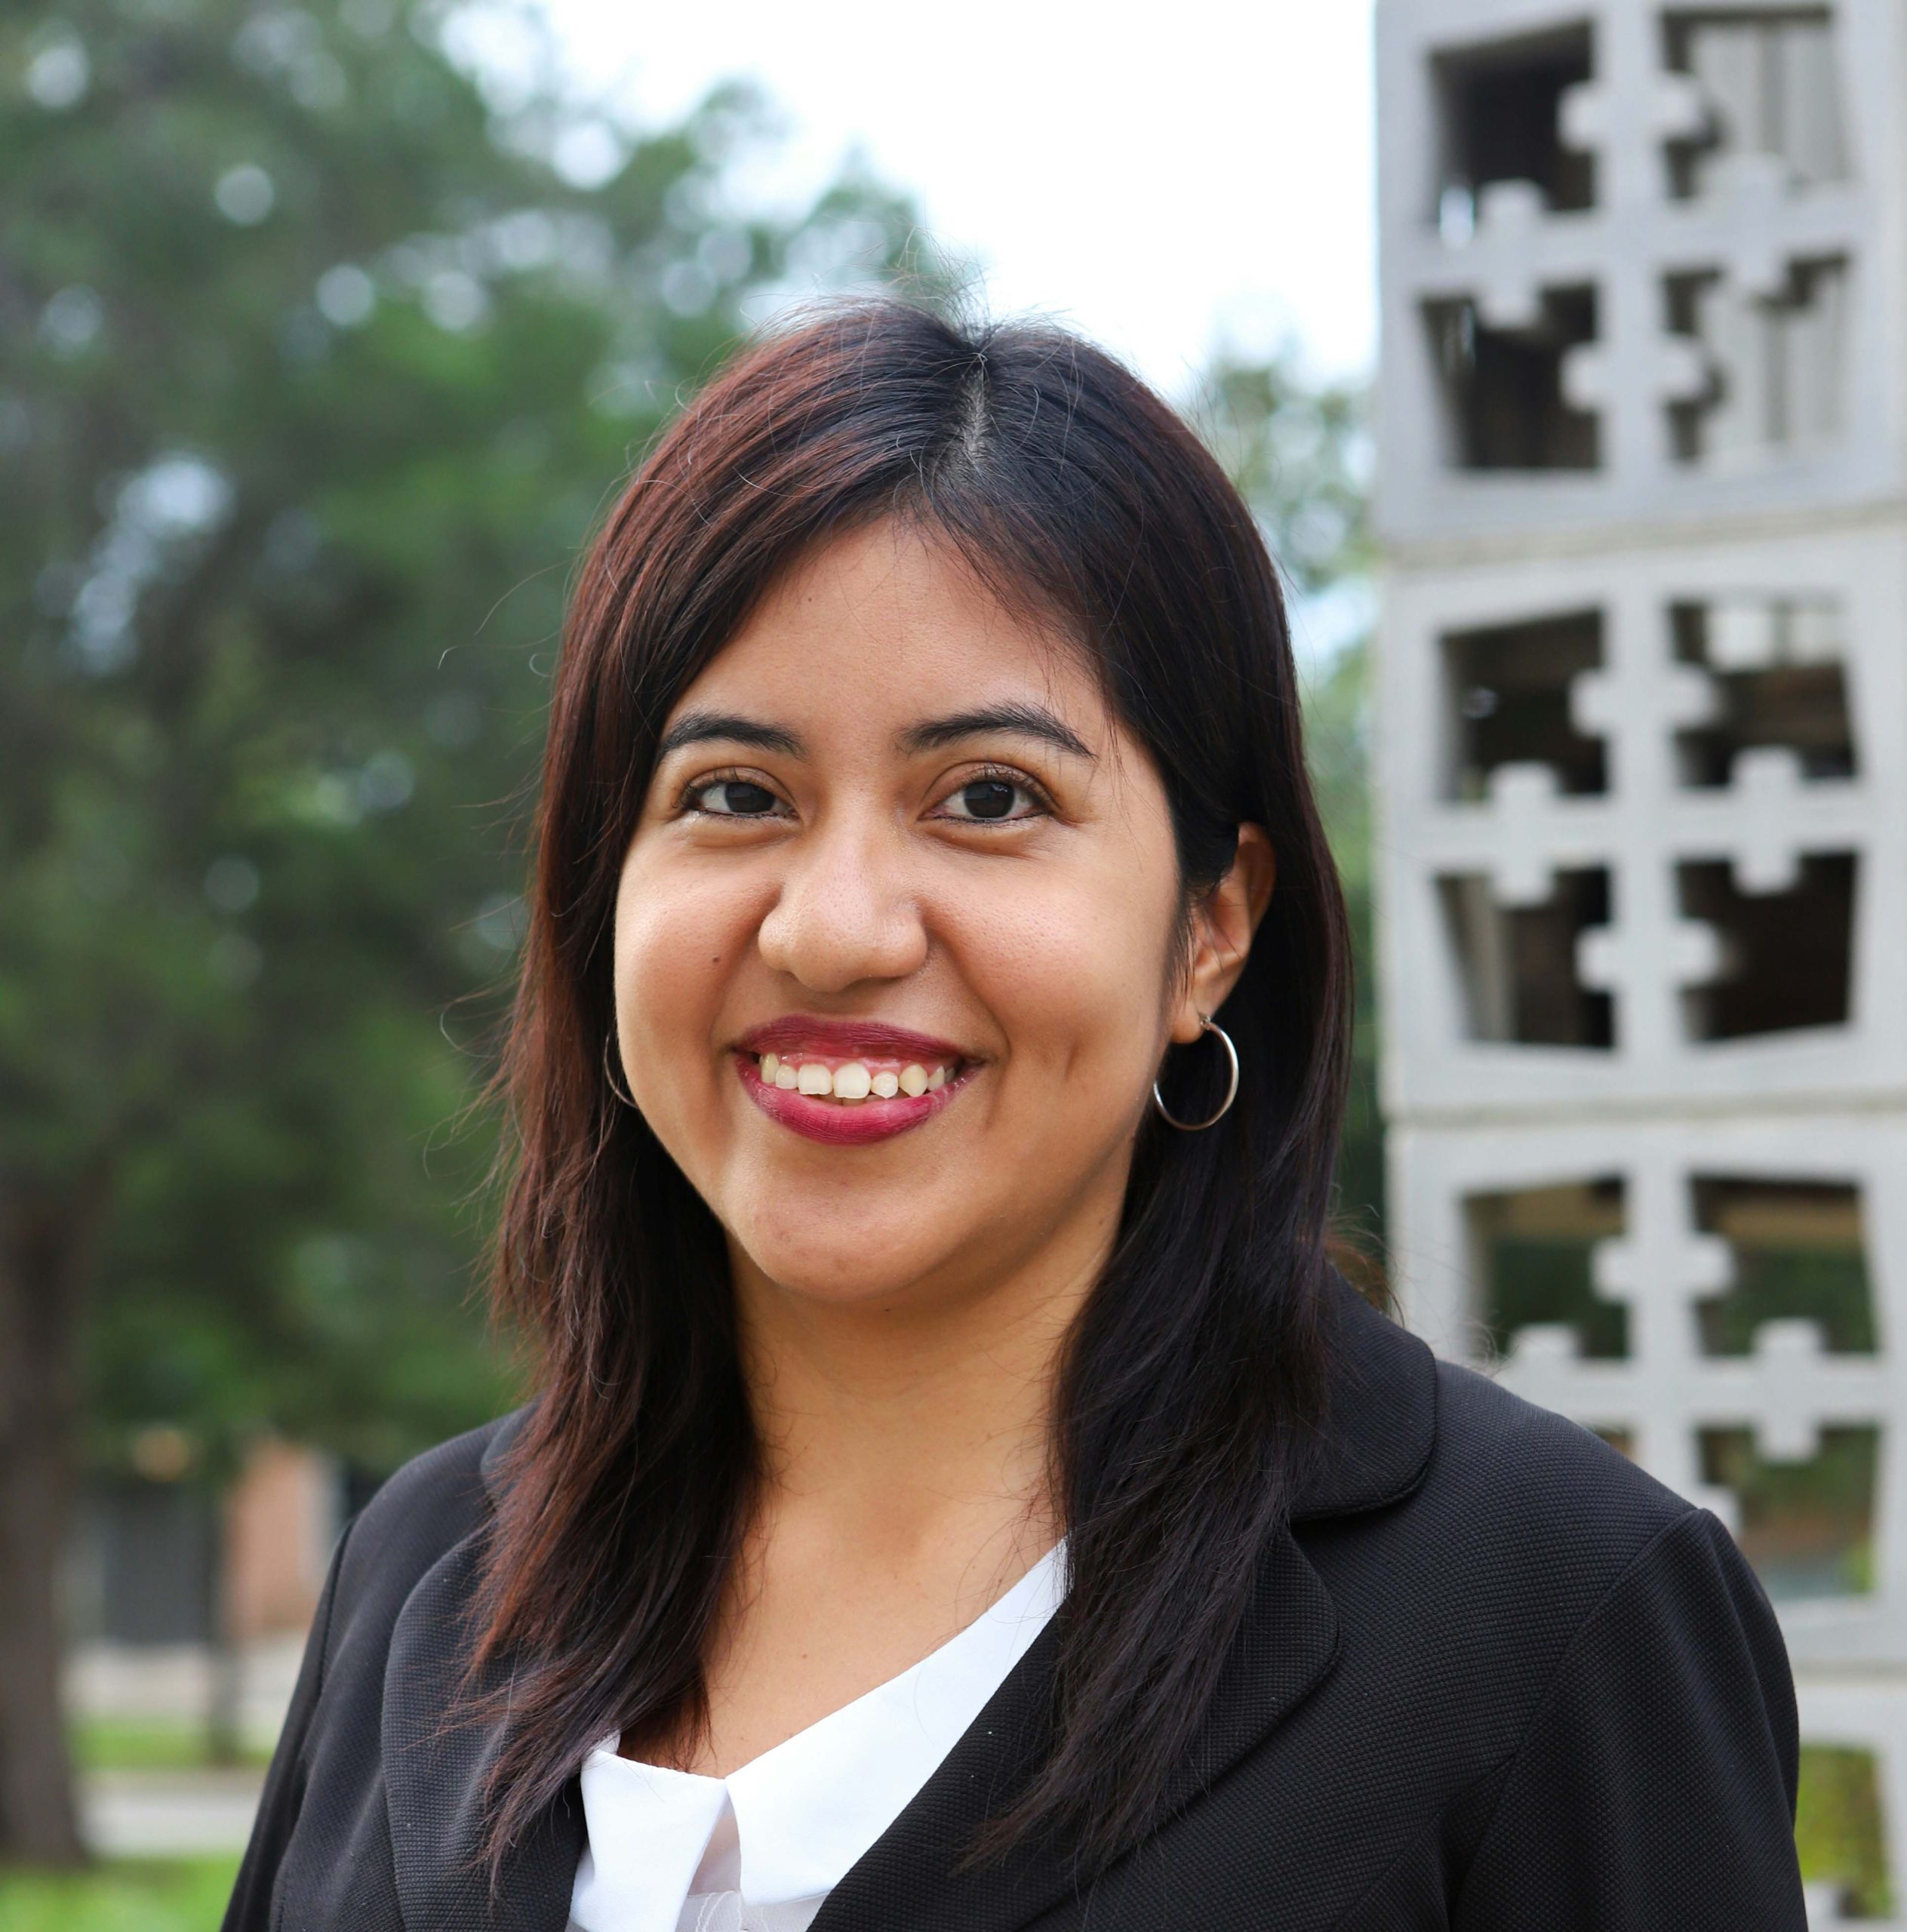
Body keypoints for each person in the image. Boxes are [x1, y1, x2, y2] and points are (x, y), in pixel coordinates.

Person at [223, 300, 1806, 1931]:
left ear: (1210, 928)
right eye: (735, 794)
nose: (835, 929)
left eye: (989, 797)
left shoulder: (1547, 1613)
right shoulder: (430, 1569)